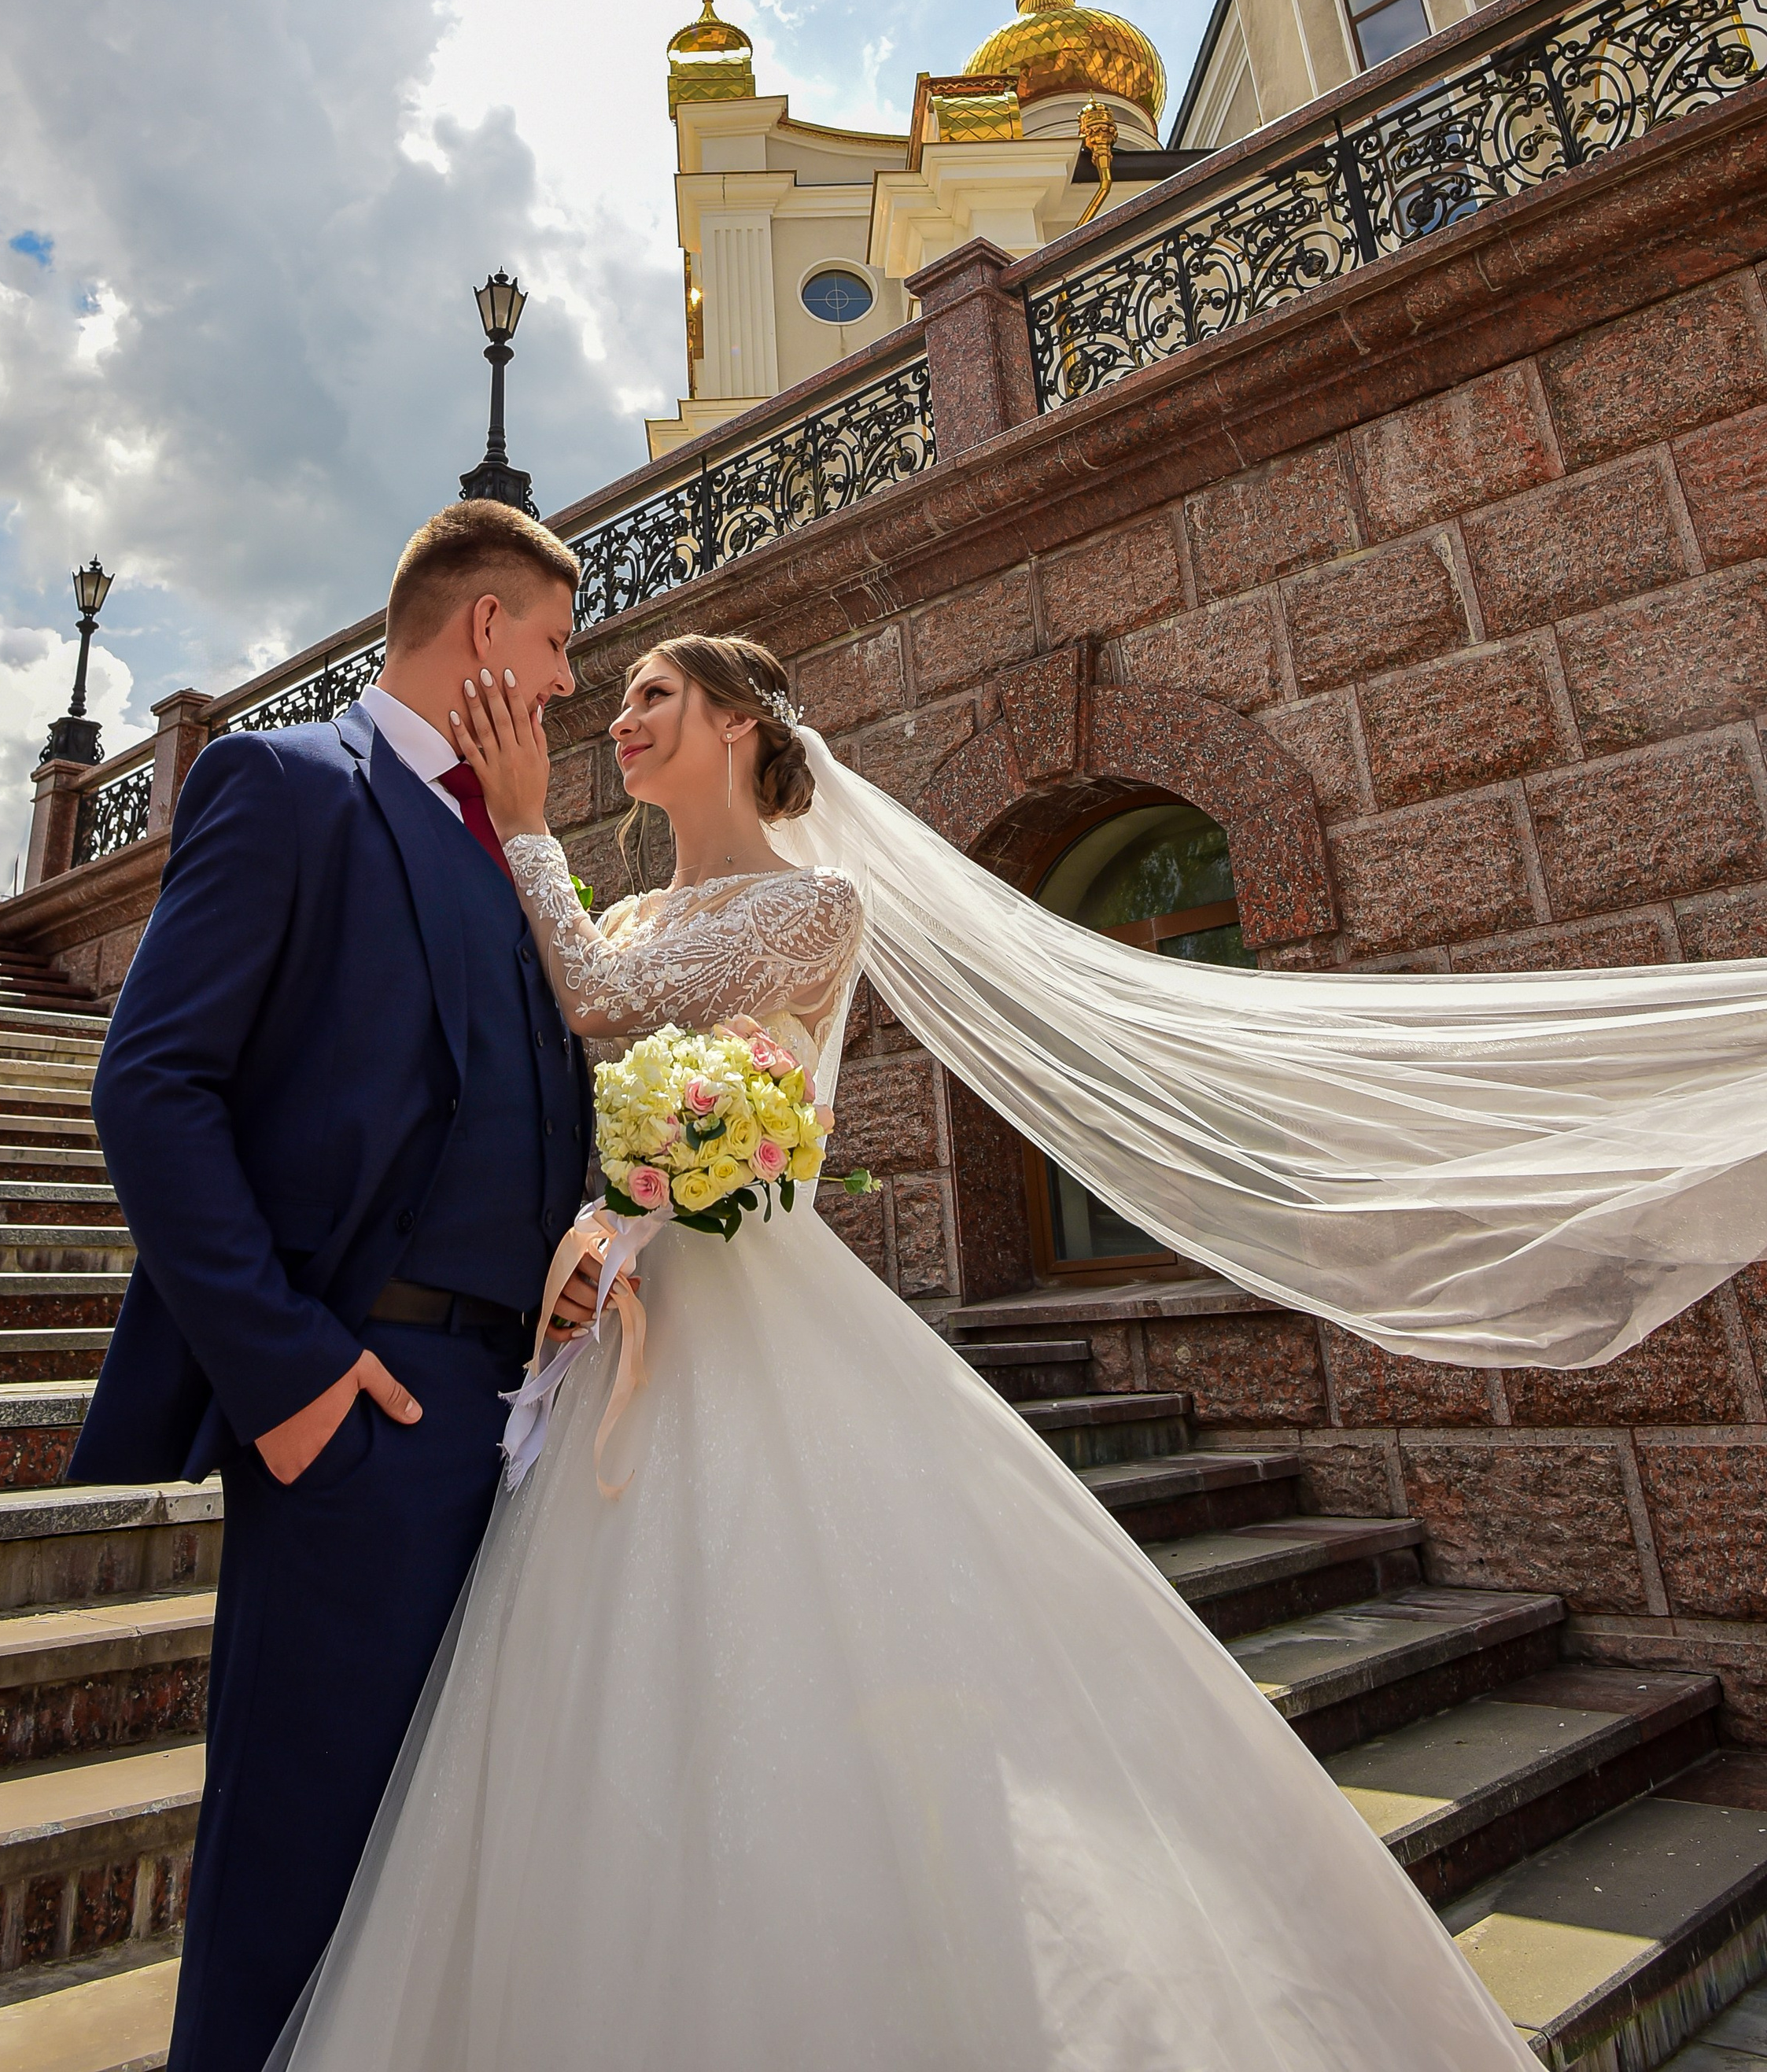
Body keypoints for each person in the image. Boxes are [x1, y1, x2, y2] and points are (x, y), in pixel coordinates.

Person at [267, 629, 1545, 2071]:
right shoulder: (622, 916)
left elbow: (599, 1010)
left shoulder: (813, 908)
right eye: (614, 696)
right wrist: (581, 1243)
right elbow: (585, 1086)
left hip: (762, 1327)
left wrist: (524, 831)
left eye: (653, 696)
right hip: (619, 1337)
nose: (618, 714)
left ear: (741, 720)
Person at [68, 501, 609, 2072]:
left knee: (447, 1863)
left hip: (516, 1413)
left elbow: (509, 1093)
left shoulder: (507, 838)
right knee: (305, 1856)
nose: (570, 684)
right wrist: (294, 1382)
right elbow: (153, 1086)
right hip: (360, 1411)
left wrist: (561, 1249)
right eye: (561, 645)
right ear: (487, 629)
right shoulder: (291, 784)